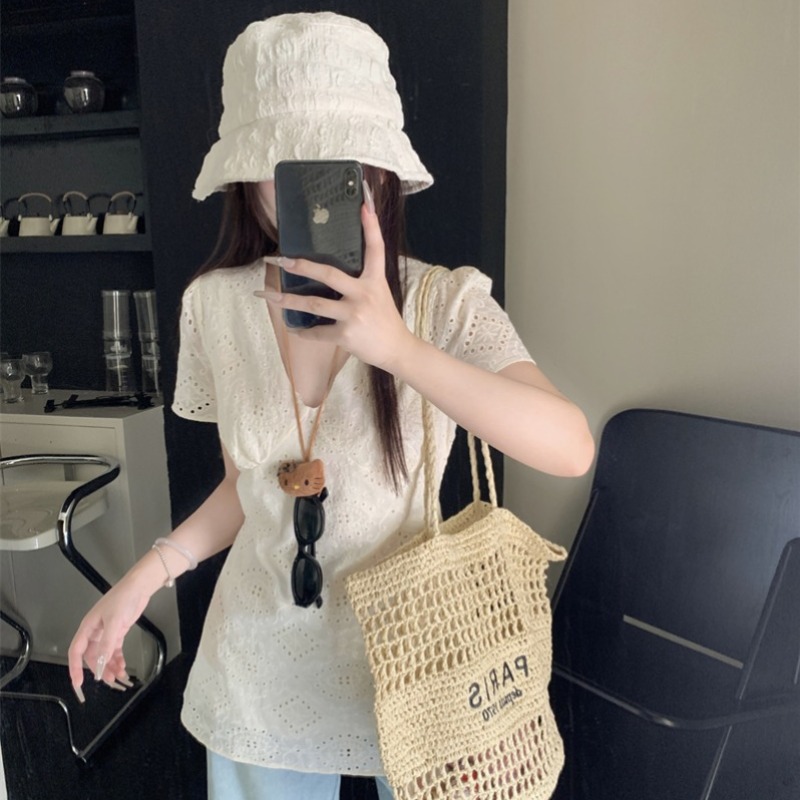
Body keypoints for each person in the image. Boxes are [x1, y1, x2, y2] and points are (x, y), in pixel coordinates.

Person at [68, 11, 594, 800]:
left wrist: (398, 349)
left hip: (421, 665)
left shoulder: (444, 302)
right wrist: (144, 577)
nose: (313, 192)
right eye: (287, 166)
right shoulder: (214, 305)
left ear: (377, 172)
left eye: (340, 167)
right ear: (250, 174)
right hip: (260, 668)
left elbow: (570, 447)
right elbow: (246, 489)